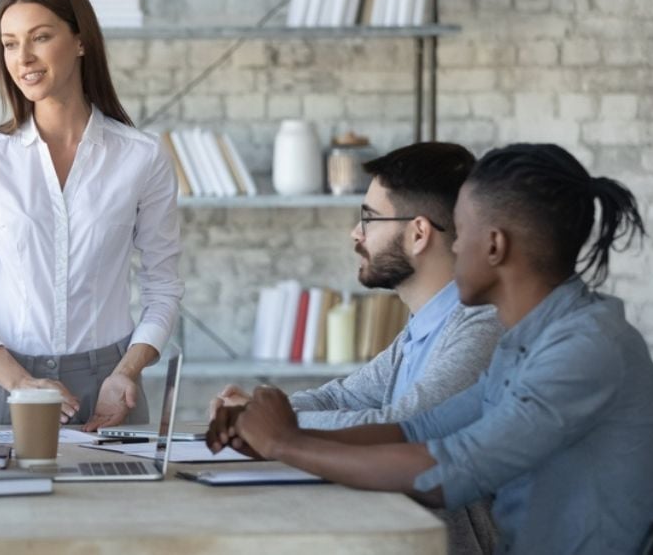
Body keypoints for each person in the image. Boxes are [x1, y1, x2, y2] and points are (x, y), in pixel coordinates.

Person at [208, 143, 653, 554]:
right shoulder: (527, 340)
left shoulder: (585, 348)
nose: (451, 248)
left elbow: (451, 471)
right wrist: (273, 432)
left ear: (493, 245)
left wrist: (287, 442)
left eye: (460, 231)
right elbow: (417, 428)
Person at [212, 142, 503, 554]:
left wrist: (279, 431)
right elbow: (343, 396)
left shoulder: (483, 327)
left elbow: (404, 427)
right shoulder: (423, 329)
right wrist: (258, 414)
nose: (356, 232)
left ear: (419, 233)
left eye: (369, 218)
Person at [0, 0, 184, 429]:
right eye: (9, 44)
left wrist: (127, 369)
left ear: (81, 41)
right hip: (7, 387)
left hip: (111, 390)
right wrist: (17, 380)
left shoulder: (142, 157)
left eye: (40, 37)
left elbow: (163, 287)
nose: (22, 57)